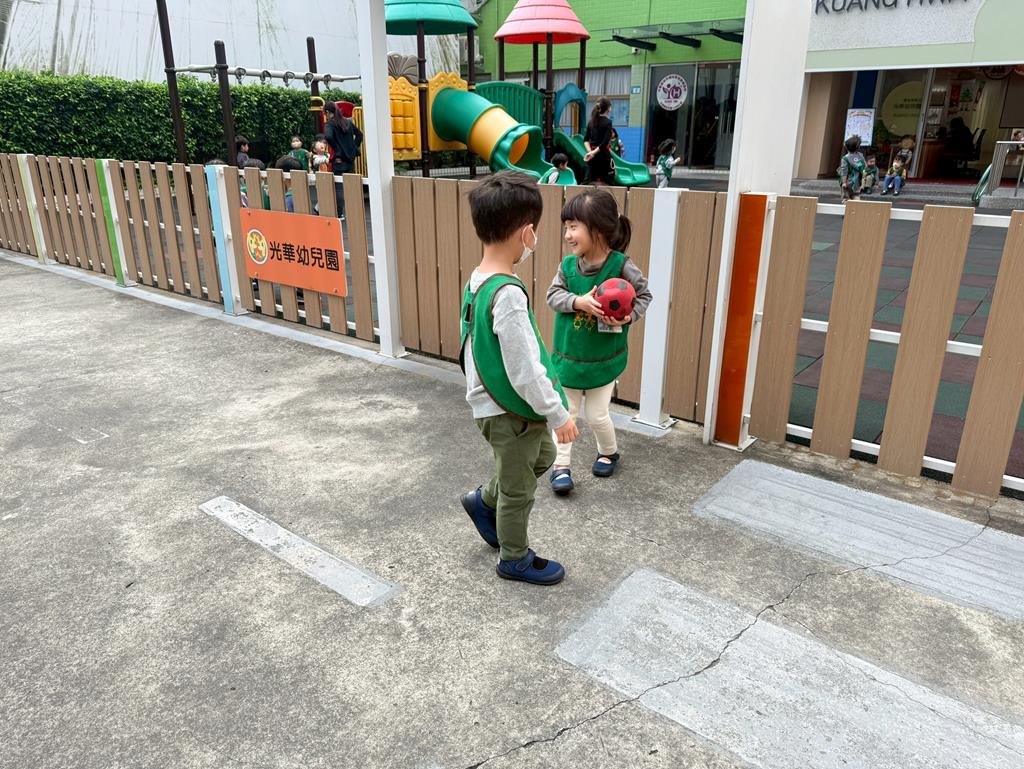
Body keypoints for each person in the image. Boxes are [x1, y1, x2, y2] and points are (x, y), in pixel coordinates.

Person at [459, 171, 578, 586]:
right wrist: (558, 414)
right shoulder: (507, 294)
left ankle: (483, 501)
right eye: (537, 232)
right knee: (519, 489)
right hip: (506, 410)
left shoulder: (479, 279)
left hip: (493, 403)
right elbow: (524, 369)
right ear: (527, 233)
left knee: (540, 458)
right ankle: (514, 557)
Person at [545, 188, 652, 496]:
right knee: (566, 413)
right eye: (566, 227)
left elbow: (644, 295)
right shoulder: (568, 267)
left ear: (598, 229)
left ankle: (609, 452)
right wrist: (577, 301)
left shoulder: (621, 266)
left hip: (603, 359)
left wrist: (627, 317)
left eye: (573, 227)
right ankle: (560, 466)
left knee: (596, 415)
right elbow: (552, 296)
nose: (567, 234)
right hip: (569, 357)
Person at [323, 101, 363, 220]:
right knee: (351, 185)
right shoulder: (348, 122)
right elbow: (359, 135)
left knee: (339, 187)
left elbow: (328, 136)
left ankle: (340, 213)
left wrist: (337, 149)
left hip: (339, 160)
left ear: (328, 112)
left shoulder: (330, 124)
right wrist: (353, 148)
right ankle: (354, 212)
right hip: (350, 159)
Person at [583, 97, 615, 186]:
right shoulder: (608, 122)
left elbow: (586, 140)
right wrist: (593, 153)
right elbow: (604, 143)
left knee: (587, 182)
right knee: (608, 182)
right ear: (609, 108)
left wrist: (590, 152)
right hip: (604, 157)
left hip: (592, 158)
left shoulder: (591, 122)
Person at [838, 136, 866, 202]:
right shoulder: (860, 155)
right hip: (857, 182)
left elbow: (844, 171)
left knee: (846, 199)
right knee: (856, 197)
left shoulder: (845, 158)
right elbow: (865, 167)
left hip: (848, 181)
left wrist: (844, 182)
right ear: (858, 147)